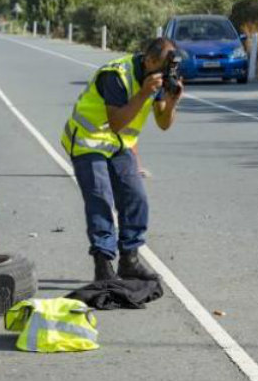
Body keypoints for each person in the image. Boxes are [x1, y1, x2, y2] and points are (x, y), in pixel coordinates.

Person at [60, 37, 183, 281]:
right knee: (100, 200)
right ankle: (103, 265)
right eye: (161, 67)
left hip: (118, 145)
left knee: (136, 197)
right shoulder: (115, 75)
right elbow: (116, 123)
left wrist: (171, 103)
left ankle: (130, 260)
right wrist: (144, 92)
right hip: (88, 140)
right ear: (148, 60)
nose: (164, 73)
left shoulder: (158, 76)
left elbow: (163, 123)